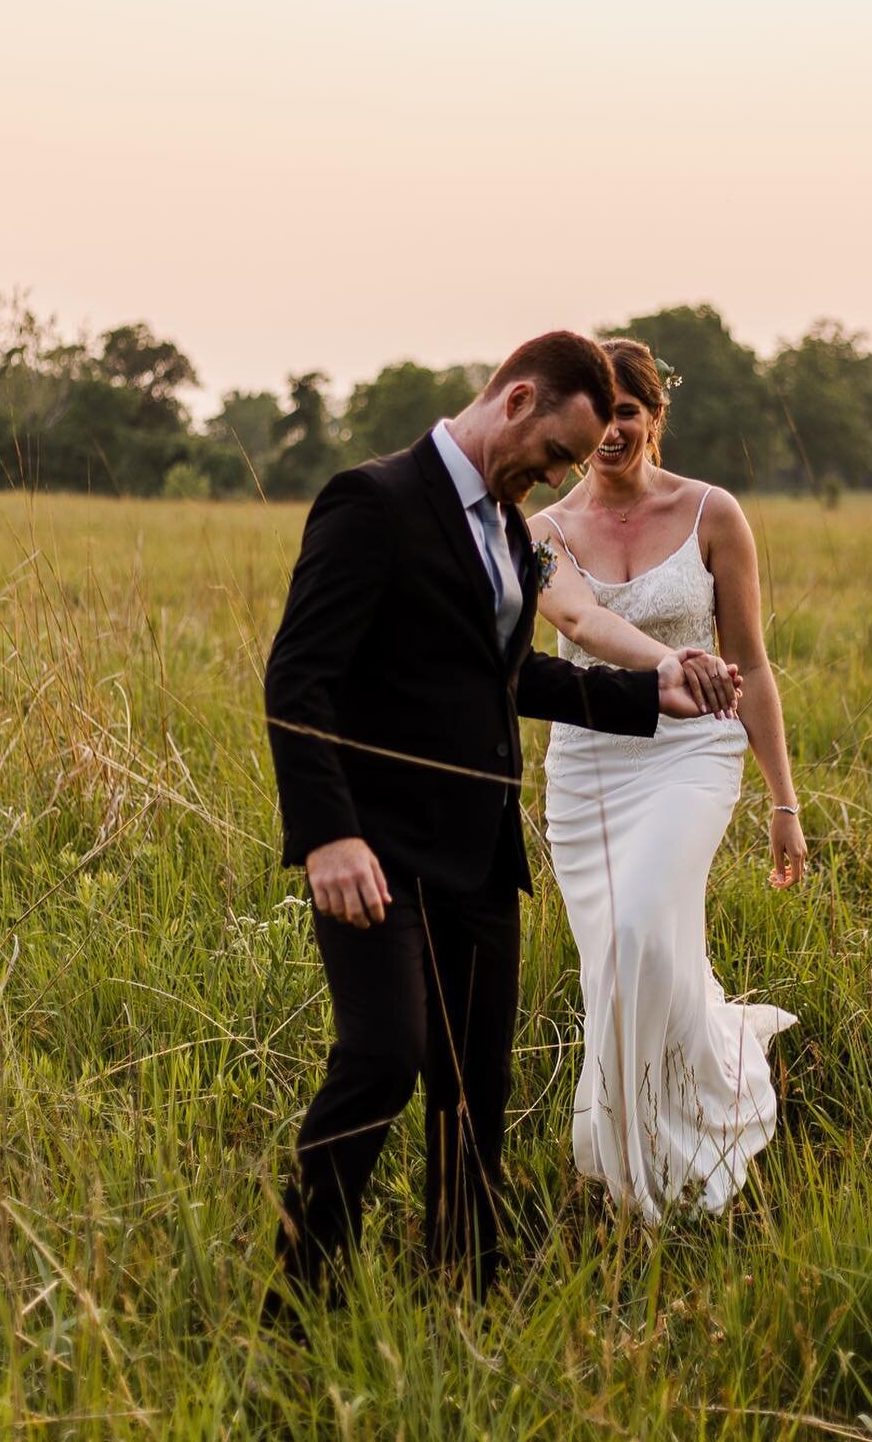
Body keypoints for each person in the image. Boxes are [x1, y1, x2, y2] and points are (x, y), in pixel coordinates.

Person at [261, 331, 741, 1316]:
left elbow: (507, 677)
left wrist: (653, 700)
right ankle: (298, 1304)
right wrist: (327, 836)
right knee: (382, 1059)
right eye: (558, 454)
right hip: (375, 854)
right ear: (515, 401)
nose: (560, 476)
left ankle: (465, 1294)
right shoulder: (373, 502)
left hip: (479, 857)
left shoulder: (507, 532)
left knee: (475, 1094)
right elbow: (295, 677)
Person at [529, 338, 806, 1222]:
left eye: (626, 413)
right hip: (588, 764)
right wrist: (669, 667)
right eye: (596, 414)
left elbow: (751, 666)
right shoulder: (543, 533)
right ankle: (643, 1128)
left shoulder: (712, 514)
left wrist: (783, 801)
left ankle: (655, 1164)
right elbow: (574, 619)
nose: (610, 432)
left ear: (653, 416)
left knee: (646, 925)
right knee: (618, 957)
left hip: (693, 757)